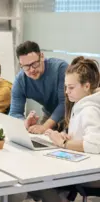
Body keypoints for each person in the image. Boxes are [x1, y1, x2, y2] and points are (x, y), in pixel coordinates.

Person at [25, 56, 100, 202]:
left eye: (71, 87)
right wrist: (65, 136)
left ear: (86, 86)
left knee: (39, 183)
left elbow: (95, 145)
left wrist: (63, 144)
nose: (66, 92)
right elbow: (83, 134)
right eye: (66, 87)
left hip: (91, 173)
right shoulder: (80, 105)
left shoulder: (90, 109)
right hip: (83, 166)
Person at [9, 41, 68, 134]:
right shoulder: (20, 80)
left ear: (42, 57)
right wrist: (25, 123)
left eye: (34, 64)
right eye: (26, 66)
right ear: (21, 65)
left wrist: (45, 126)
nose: (31, 70)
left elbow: (64, 102)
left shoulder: (60, 68)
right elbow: (14, 113)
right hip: (50, 115)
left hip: (71, 115)